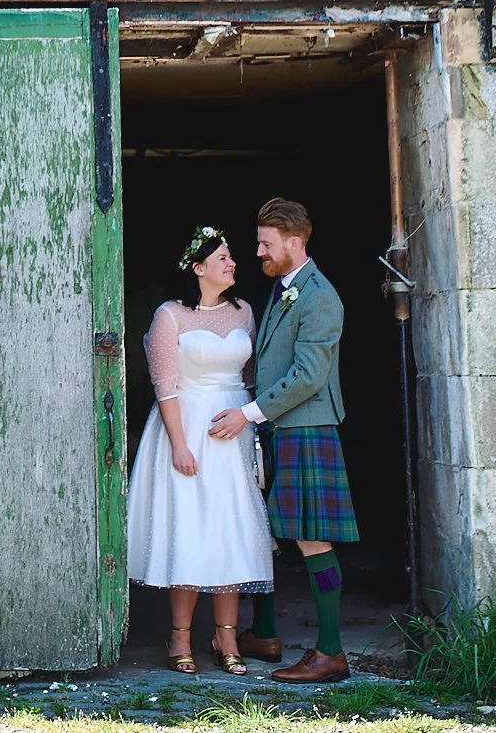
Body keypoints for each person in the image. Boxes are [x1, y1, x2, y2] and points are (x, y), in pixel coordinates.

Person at [209, 197, 356, 684]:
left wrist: (247, 413)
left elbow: (309, 375)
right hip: (280, 425)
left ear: (295, 242)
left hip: (307, 425)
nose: (258, 253)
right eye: (258, 243)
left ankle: (330, 651)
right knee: (269, 528)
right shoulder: (286, 287)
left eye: (266, 244)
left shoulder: (319, 296)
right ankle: (264, 632)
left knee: (312, 536)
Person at [124, 225, 275, 675]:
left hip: (233, 428)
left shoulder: (243, 311)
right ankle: (180, 636)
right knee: (188, 530)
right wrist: (179, 445)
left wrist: (249, 423)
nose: (233, 263)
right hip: (186, 426)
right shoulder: (170, 315)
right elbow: (164, 385)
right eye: (223, 257)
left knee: (230, 529)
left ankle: (226, 637)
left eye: (231, 257)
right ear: (199, 267)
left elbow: (248, 375)